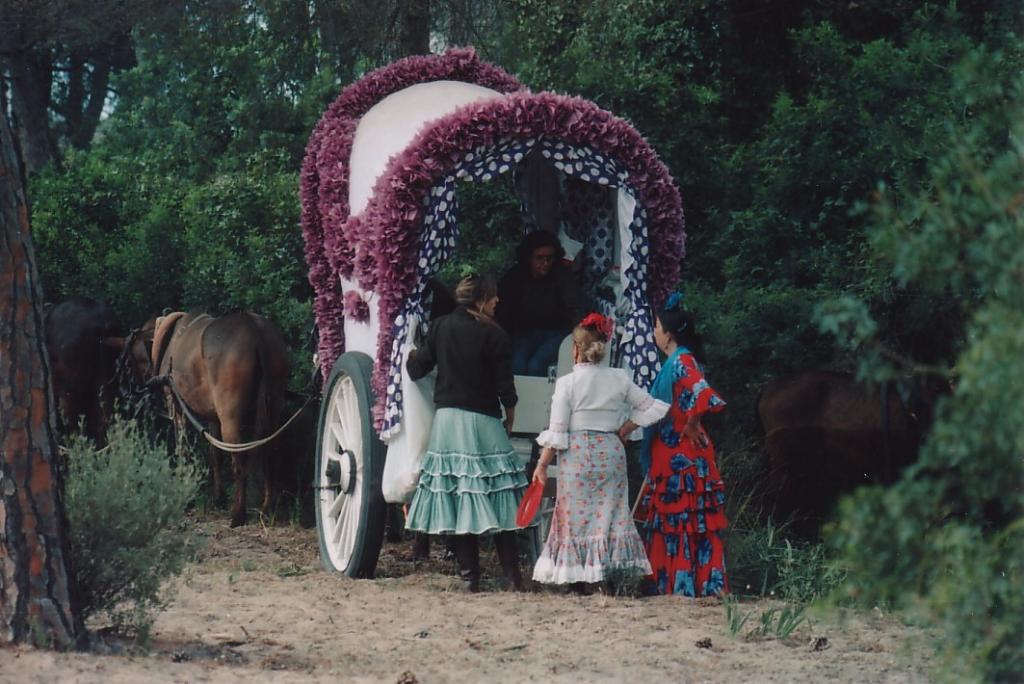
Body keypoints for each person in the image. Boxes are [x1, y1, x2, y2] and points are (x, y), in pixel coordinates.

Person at [405, 272, 527, 592]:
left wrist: (406, 353)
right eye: (493, 295)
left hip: (448, 422)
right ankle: (512, 577)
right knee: (500, 494)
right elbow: (505, 386)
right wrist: (510, 415)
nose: (498, 300)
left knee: (460, 495)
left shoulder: (440, 327)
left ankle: (469, 578)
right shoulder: (495, 335)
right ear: (480, 300)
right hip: (484, 420)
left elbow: (417, 369)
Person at [531, 313, 669, 592]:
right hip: (610, 451)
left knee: (574, 515)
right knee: (611, 514)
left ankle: (578, 579)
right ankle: (608, 575)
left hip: (577, 455)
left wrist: (542, 465)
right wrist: (627, 427)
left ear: (575, 349)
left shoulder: (567, 383)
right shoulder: (619, 378)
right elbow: (653, 407)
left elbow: (557, 431)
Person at [639, 293, 728, 597]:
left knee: (682, 520)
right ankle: (684, 584)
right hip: (676, 455)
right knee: (682, 521)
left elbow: (703, 392)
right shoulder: (678, 361)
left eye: (656, 327)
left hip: (682, 455)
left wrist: (692, 421)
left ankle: (684, 586)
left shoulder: (681, 362)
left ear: (668, 335)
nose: (654, 332)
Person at [497, 230, 585, 376]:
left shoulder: (562, 276)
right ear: (528, 258)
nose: (545, 263)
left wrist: (579, 334)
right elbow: (502, 309)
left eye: (549, 258)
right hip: (523, 333)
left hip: (557, 333)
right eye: (539, 258)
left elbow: (575, 307)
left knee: (536, 365)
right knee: (517, 365)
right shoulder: (514, 277)